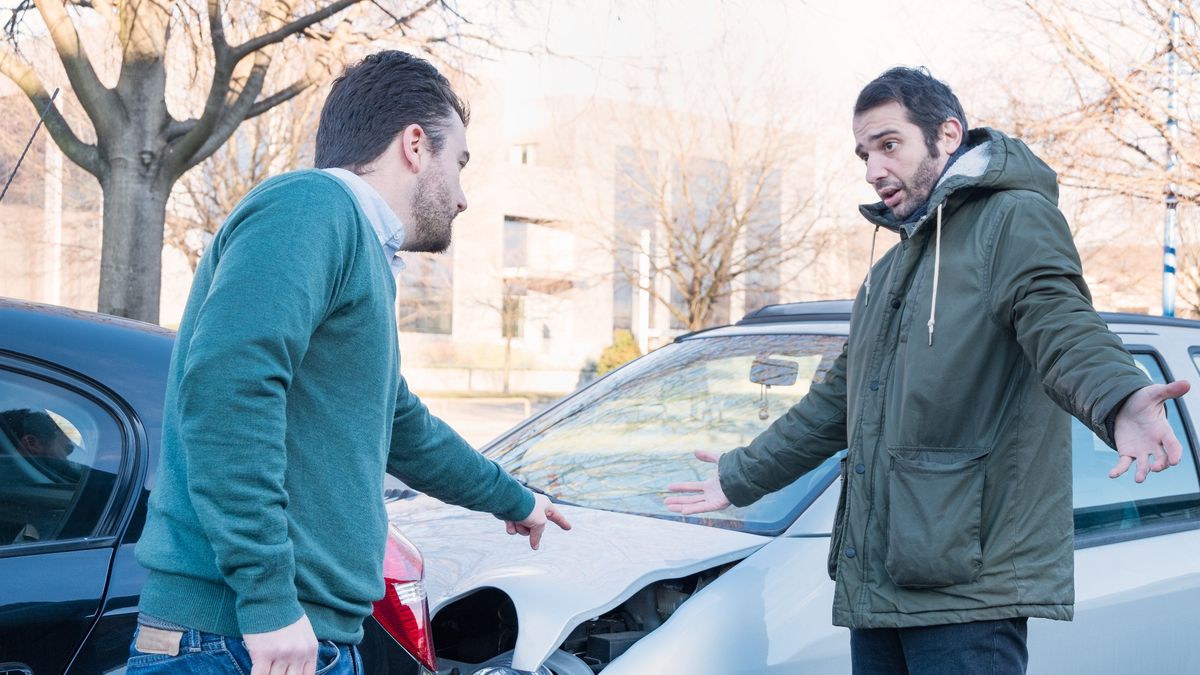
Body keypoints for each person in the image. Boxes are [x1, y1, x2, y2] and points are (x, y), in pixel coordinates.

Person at [665, 66, 1190, 675]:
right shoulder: (890, 271)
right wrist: (740, 476)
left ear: (947, 134)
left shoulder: (1012, 219)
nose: (872, 170)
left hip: (968, 591)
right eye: (863, 154)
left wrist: (1118, 397)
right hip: (881, 581)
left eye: (889, 145)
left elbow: (1060, 319)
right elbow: (835, 404)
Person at [129, 51, 571, 675]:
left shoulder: (357, 246)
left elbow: (401, 425)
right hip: (237, 638)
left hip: (300, 636)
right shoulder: (312, 207)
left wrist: (511, 498)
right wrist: (267, 602)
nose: (465, 198)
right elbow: (228, 388)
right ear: (415, 145)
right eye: (460, 163)